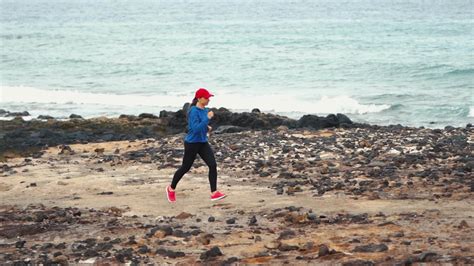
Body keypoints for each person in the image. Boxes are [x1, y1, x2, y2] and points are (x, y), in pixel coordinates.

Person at [166, 88, 227, 202]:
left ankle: (214, 193)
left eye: (209, 97)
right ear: (199, 98)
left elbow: (201, 126)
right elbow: (194, 129)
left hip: (202, 142)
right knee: (185, 167)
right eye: (206, 98)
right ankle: (171, 188)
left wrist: (207, 128)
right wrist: (207, 119)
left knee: (212, 165)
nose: (208, 99)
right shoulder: (193, 111)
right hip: (191, 143)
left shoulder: (205, 110)